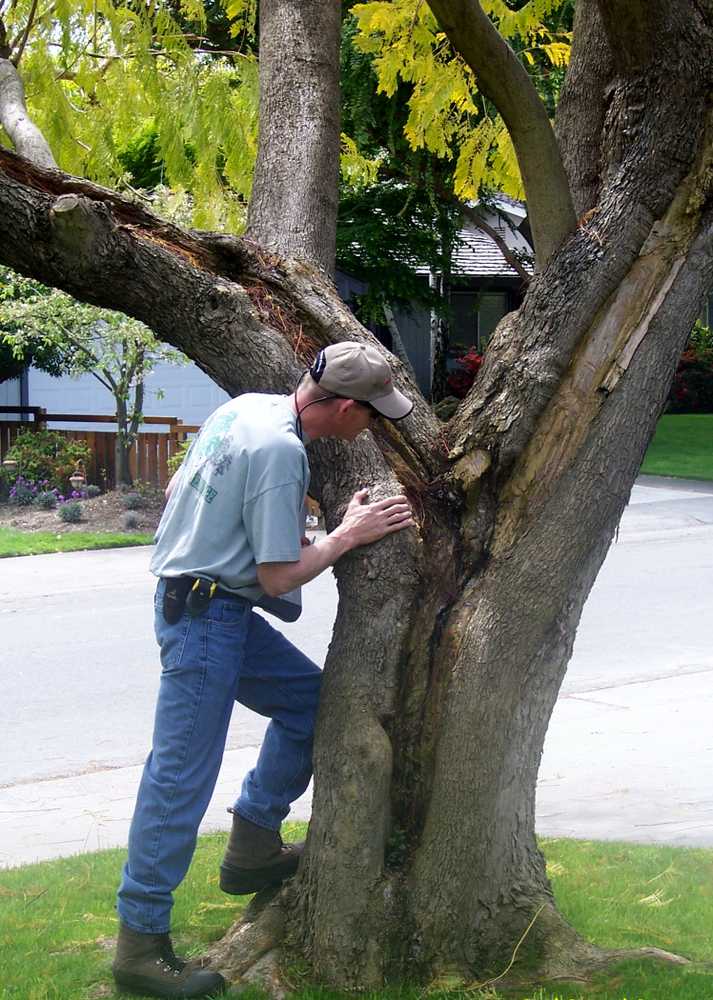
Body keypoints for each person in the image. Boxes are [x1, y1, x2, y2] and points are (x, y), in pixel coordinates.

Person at [112, 342, 415, 998]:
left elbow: (175, 490)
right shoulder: (282, 451)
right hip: (203, 618)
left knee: (312, 705)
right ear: (338, 406)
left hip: (208, 606)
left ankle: (251, 843)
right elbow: (277, 579)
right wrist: (344, 537)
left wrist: (255, 527)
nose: (372, 426)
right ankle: (138, 949)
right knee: (177, 780)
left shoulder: (246, 410)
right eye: (370, 414)